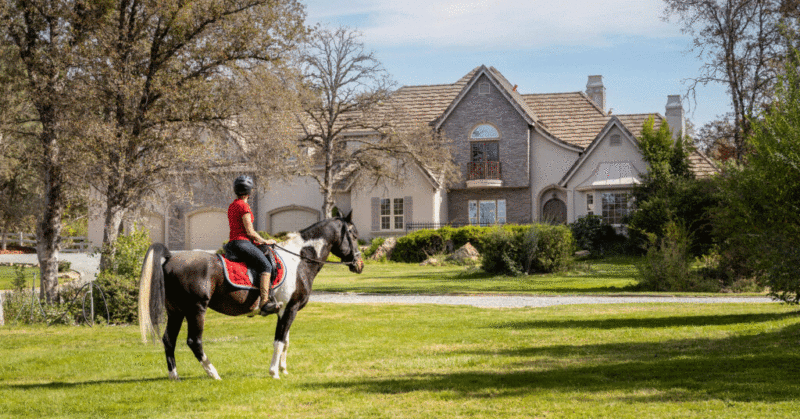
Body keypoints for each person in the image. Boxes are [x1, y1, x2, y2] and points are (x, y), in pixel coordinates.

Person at [227, 175, 280, 316]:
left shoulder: (232, 205)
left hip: (232, 244)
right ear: (249, 191)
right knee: (266, 266)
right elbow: (249, 232)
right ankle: (264, 302)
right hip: (242, 243)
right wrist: (265, 241)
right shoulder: (244, 206)